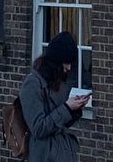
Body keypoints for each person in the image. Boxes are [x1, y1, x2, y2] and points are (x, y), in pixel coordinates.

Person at [18, 31, 89, 161]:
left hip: (63, 152)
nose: (68, 68)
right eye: (65, 63)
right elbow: (38, 128)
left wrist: (74, 109)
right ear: (55, 62)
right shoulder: (32, 84)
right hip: (44, 155)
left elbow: (60, 122)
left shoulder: (58, 83)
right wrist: (67, 108)